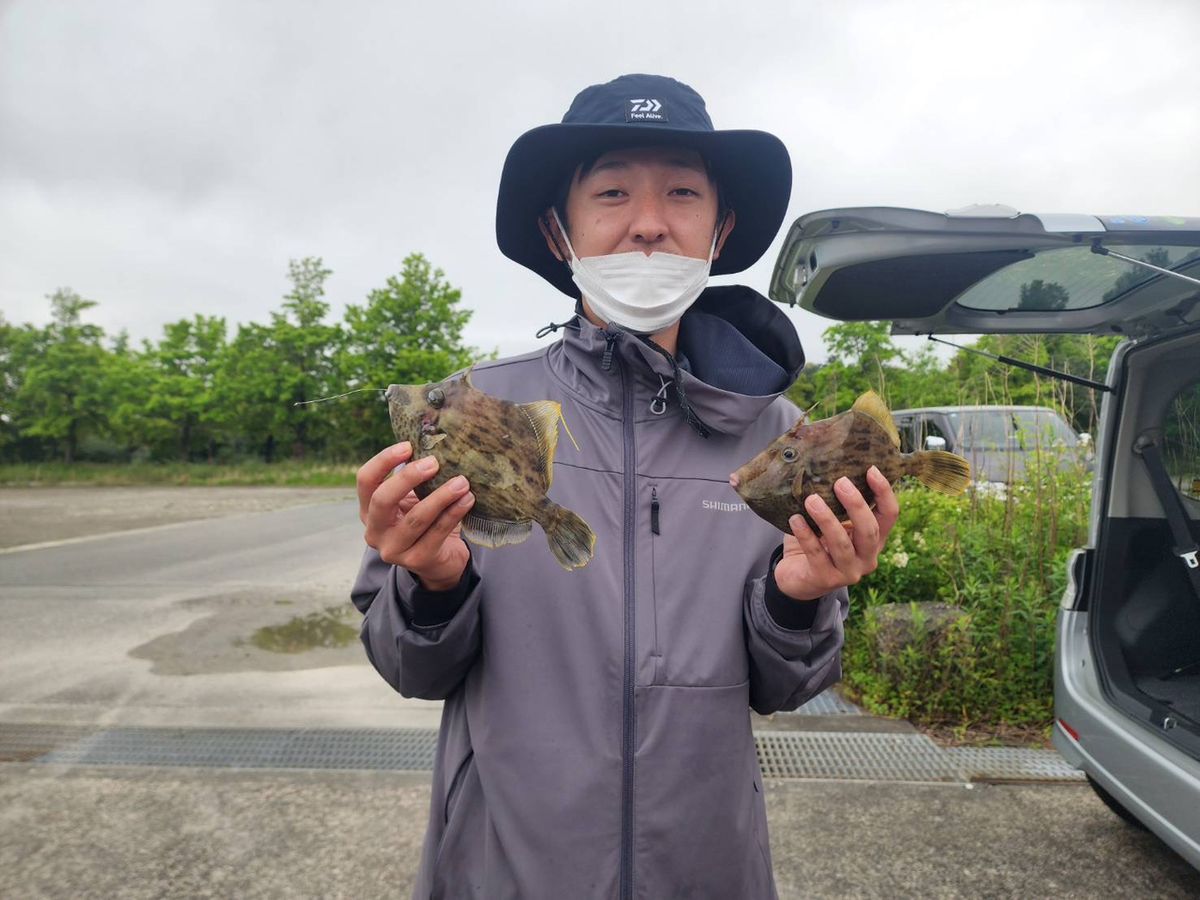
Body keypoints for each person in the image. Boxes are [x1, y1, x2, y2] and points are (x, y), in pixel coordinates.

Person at [352, 73, 899, 900]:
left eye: (682, 192)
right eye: (611, 191)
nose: (648, 222)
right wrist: (429, 582)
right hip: (505, 868)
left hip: (706, 867)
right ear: (558, 229)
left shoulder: (778, 434)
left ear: (720, 231)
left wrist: (800, 597)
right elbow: (409, 667)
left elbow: (789, 686)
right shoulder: (473, 409)